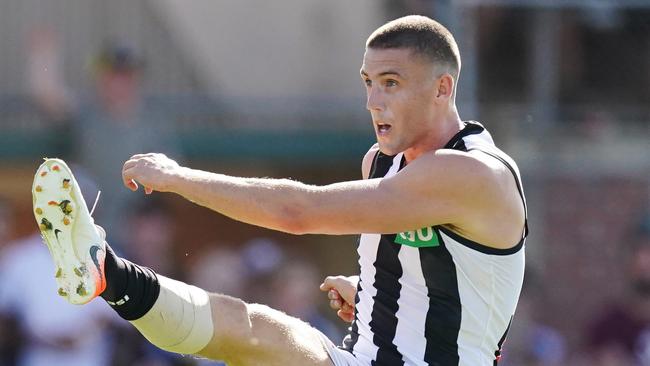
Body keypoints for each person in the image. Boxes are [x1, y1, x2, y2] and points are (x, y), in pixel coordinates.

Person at [31, 15, 527, 366]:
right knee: (250, 329)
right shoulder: (381, 161)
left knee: (256, 339)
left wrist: (179, 178)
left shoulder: (471, 173)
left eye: (391, 83)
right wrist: (379, 294)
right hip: (363, 355)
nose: (373, 100)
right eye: (368, 82)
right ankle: (104, 273)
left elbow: (297, 211)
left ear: (443, 89)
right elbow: (448, 275)